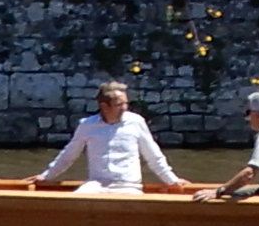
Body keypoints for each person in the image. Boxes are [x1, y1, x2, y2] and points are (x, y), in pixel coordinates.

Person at [33, 81, 185, 195]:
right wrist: (46, 176)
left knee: (137, 206)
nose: (125, 108)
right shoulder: (87, 125)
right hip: (96, 184)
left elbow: (153, 155)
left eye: (126, 103)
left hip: (128, 186)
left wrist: (172, 180)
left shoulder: (136, 122)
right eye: (119, 104)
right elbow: (69, 155)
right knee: (76, 201)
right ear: (104, 106)